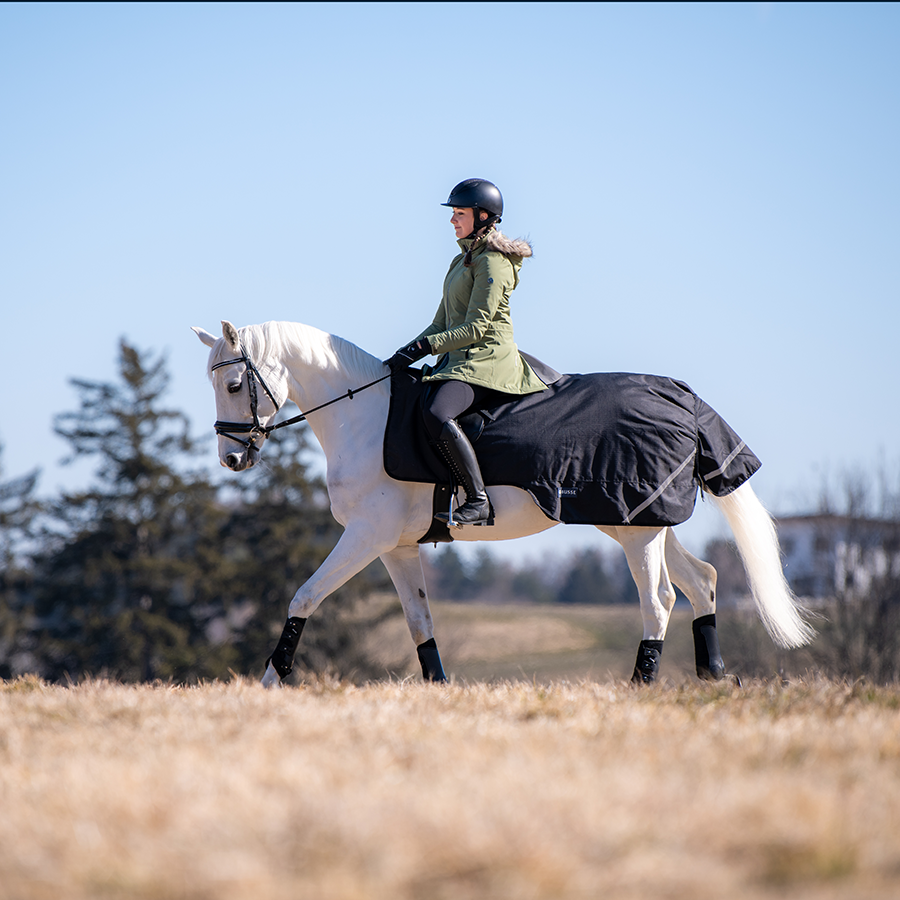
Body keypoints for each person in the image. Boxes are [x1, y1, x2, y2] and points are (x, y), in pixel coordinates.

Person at [386, 178, 548, 527]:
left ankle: (478, 500)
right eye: (453, 213)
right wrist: (403, 355)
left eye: (459, 213)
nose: (452, 220)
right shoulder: (459, 263)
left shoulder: (494, 263)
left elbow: (476, 328)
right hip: (457, 361)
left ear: (484, 216)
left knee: (436, 411)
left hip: (487, 361)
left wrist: (425, 348)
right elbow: (440, 324)